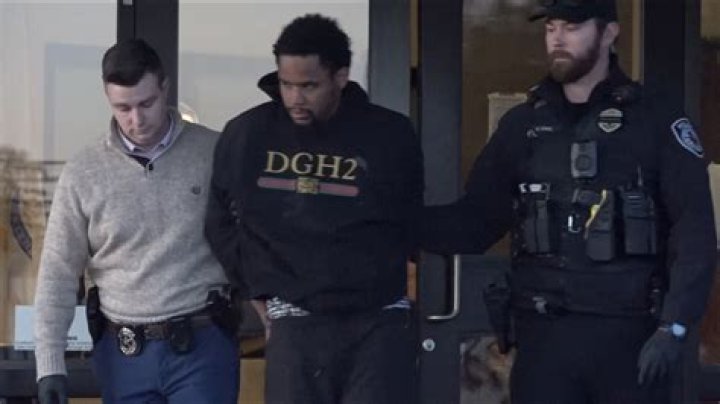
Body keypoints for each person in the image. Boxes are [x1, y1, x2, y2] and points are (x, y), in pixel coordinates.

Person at [421, 0, 717, 403]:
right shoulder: (524, 124)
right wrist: (391, 224)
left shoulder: (655, 120)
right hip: (545, 343)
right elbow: (476, 223)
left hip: (628, 340)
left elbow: (694, 231)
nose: (557, 38)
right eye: (551, 27)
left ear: (609, 33)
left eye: (572, 27)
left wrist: (675, 326)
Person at [205, 14, 423, 404]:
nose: (295, 98)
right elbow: (219, 220)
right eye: (286, 84)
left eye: (308, 86)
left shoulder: (390, 134)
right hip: (294, 318)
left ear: (341, 76)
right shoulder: (249, 134)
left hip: (377, 320)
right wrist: (256, 289)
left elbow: (409, 219)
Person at [33, 39, 239, 404]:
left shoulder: (214, 152)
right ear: (107, 98)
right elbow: (57, 271)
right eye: (123, 108)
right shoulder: (83, 171)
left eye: (146, 103)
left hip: (202, 343)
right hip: (123, 353)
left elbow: (251, 237)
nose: (136, 119)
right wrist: (50, 364)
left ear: (165, 88)